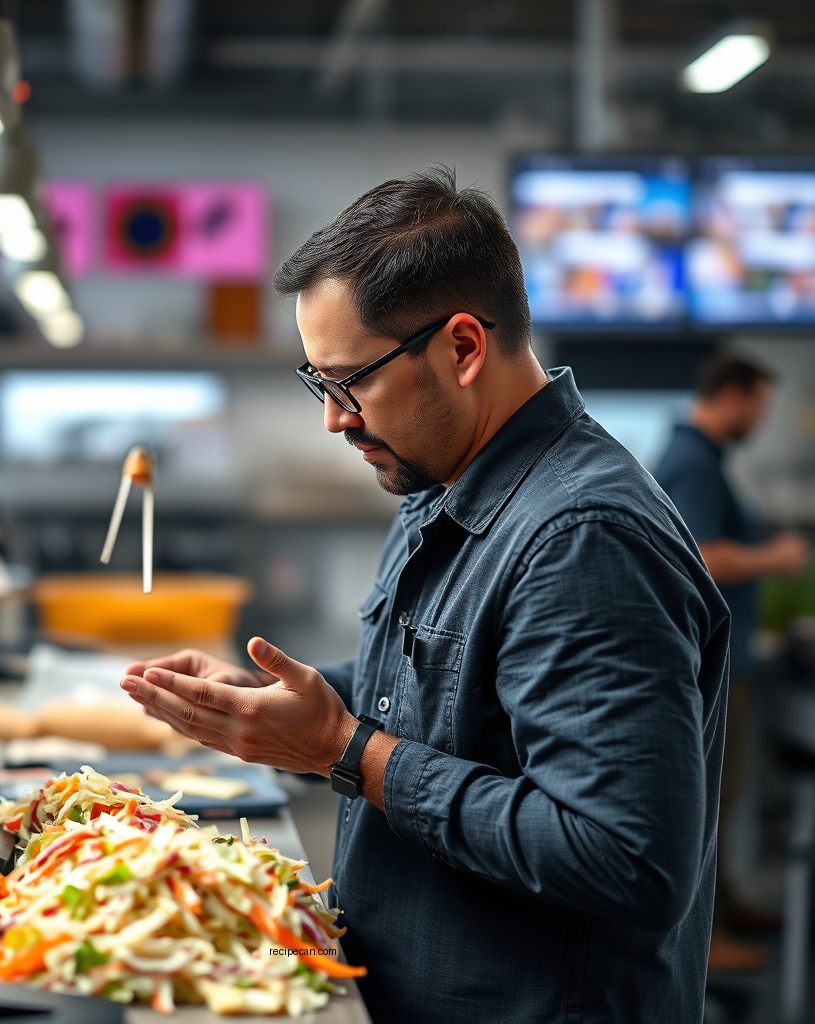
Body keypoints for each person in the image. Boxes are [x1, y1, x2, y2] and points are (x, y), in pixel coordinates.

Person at [120, 167, 730, 1024]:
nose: (334, 419)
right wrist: (273, 699)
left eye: (350, 382)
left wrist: (344, 748)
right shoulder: (440, 480)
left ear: (463, 347)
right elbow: (440, 689)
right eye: (318, 383)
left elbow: (624, 857)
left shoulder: (583, 536)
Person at [653, 352, 810, 972]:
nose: (761, 420)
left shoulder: (703, 461)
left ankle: (730, 905)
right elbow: (703, 557)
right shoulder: (693, 462)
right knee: (706, 801)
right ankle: (704, 942)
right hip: (705, 667)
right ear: (734, 397)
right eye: (760, 407)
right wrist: (773, 557)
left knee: (724, 796)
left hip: (722, 658)